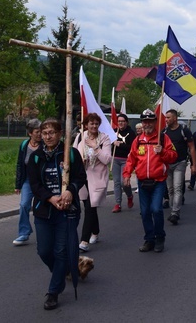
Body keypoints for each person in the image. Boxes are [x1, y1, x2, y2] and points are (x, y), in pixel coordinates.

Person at [27, 118, 86, 310]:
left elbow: (80, 177)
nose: (48, 136)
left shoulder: (70, 154)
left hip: (67, 212)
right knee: (44, 251)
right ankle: (61, 272)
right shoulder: (36, 157)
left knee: (61, 251)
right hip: (44, 211)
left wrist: (70, 190)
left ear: (60, 134)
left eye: (52, 132)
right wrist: (50, 198)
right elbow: (35, 185)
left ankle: (53, 291)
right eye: (44, 133)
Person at [122, 109, 177, 253]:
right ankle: (149, 239)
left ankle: (160, 237)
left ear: (155, 122)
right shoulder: (138, 140)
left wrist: (163, 151)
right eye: (144, 121)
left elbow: (174, 156)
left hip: (158, 181)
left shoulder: (163, 139)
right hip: (142, 182)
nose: (147, 124)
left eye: (150, 121)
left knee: (157, 210)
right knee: (145, 212)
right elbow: (131, 159)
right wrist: (127, 174)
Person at [74, 112, 112, 252]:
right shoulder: (80, 136)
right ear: (86, 125)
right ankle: (95, 230)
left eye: (96, 123)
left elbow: (107, 160)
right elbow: (74, 154)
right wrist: (79, 161)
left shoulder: (104, 139)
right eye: (91, 123)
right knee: (89, 206)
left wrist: (95, 147)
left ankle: (84, 241)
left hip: (97, 178)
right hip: (82, 177)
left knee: (90, 207)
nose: (94, 126)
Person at [162, 109, 196, 225]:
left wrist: (194, 165)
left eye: (168, 118)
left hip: (180, 163)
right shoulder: (164, 131)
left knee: (177, 187)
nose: (166, 120)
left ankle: (175, 213)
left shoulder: (184, 130)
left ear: (175, 118)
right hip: (167, 164)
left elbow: (192, 148)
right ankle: (173, 209)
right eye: (166, 118)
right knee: (170, 189)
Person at [14, 118, 41, 245]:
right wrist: (18, 184)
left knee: (41, 207)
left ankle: (46, 232)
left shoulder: (45, 145)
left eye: (41, 131)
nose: (40, 134)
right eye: (37, 132)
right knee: (24, 205)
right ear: (30, 133)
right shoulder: (24, 145)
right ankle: (24, 233)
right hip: (28, 180)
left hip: (42, 180)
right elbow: (20, 164)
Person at [111, 114, 136, 213]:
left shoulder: (131, 133)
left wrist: (120, 145)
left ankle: (129, 195)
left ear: (126, 122)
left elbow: (132, 148)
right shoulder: (114, 132)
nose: (120, 123)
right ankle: (118, 203)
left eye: (122, 121)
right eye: (119, 121)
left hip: (126, 160)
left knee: (123, 182)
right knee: (116, 182)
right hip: (115, 159)